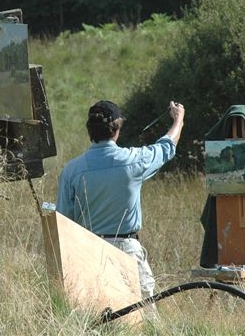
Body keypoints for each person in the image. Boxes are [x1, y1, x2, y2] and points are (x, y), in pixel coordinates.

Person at [55, 99, 185, 303]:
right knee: (144, 318)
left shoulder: (71, 171)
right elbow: (166, 147)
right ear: (116, 129)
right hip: (127, 250)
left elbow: (63, 223)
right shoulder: (133, 160)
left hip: (88, 251)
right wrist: (179, 120)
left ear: (90, 130)